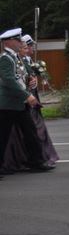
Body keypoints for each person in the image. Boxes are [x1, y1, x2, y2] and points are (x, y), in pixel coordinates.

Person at [0, 28, 54, 177]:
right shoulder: (5, 58)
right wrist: (27, 95)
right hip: (8, 104)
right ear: (9, 42)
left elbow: (21, 76)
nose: (20, 42)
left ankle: (36, 162)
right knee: (3, 136)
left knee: (30, 132)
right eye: (18, 40)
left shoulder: (16, 57)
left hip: (19, 103)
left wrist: (31, 81)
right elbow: (8, 80)